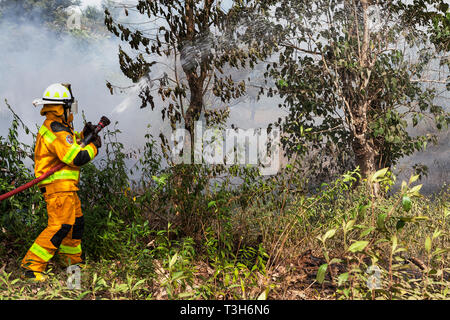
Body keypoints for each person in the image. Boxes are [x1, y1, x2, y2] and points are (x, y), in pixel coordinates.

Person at [21, 83, 101, 282]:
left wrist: (84, 135)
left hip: (67, 189)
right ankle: (31, 267)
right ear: (61, 108)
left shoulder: (60, 127)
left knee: (76, 225)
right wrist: (94, 148)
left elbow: (71, 144)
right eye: (70, 107)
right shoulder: (56, 129)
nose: (72, 111)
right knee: (60, 226)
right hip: (58, 189)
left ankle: (71, 262)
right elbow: (76, 157)